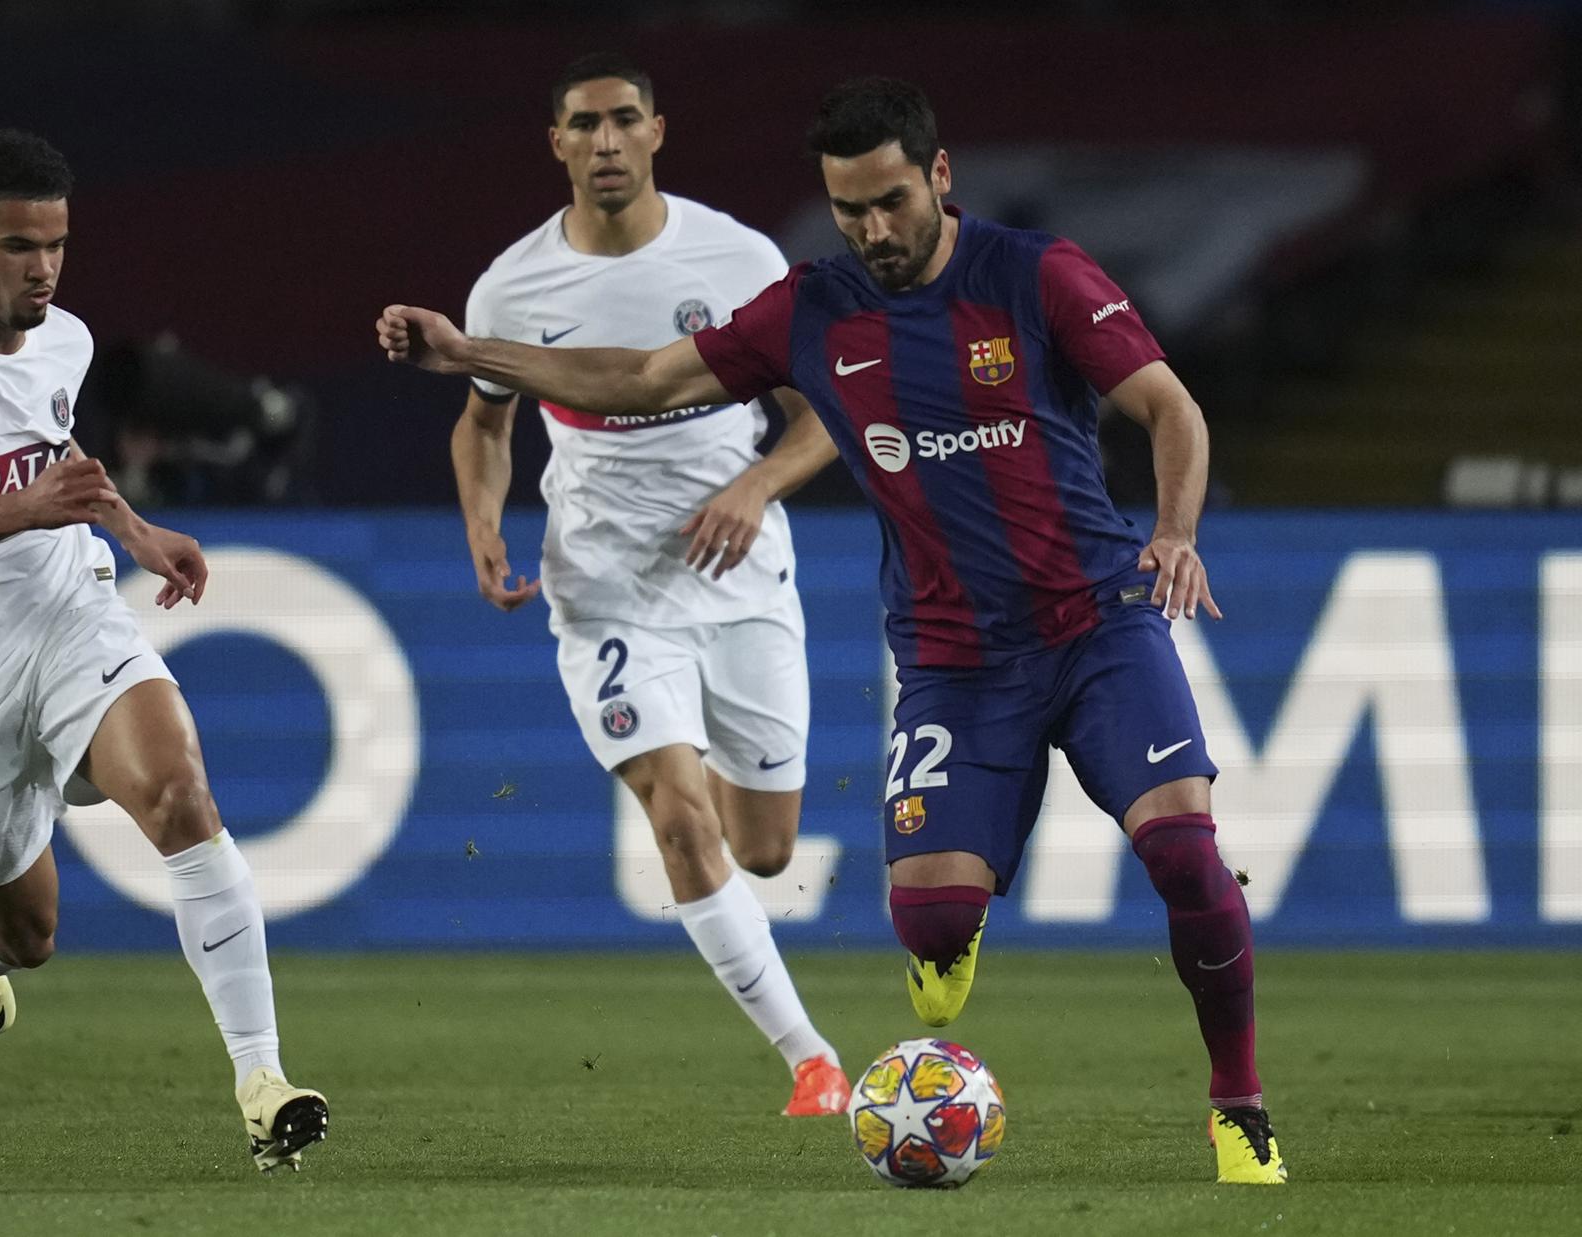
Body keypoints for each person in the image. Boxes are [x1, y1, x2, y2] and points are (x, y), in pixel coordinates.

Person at [379, 77, 1285, 1184]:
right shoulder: (812, 307)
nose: (872, 231)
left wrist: (1176, 531)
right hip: (952, 662)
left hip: (1097, 623)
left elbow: (1168, 406)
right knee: (929, 920)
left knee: (1184, 854)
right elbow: (634, 378)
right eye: (849, 210)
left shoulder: (1035, 272)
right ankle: (955, 920)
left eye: (890, 203)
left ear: (938, 178)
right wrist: (470, 354)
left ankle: (1236, 1107)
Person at [0, 129, 326, 1172]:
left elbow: (59, 463)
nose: (43, 268)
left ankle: (261, 1079)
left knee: (181, 796)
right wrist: (25, 507)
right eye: (16, 246)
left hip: (64, 618)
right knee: (28, 937)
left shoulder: (67, 341)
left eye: (55, 243)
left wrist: (135, 533)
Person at [447, 53, 852, 1117]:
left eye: (624, 120)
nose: (606, 141)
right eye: (584, 125)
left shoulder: (737, 258)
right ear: (557, 145)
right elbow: (483, 421)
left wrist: (755, 488)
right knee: (677, 812)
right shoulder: (512, 286)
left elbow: (825, 412)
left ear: (658, 132)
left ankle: (724, 865)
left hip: (739, 573)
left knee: (763, 849)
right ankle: (810, 1060)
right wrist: (484, 523)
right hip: (604, 585)